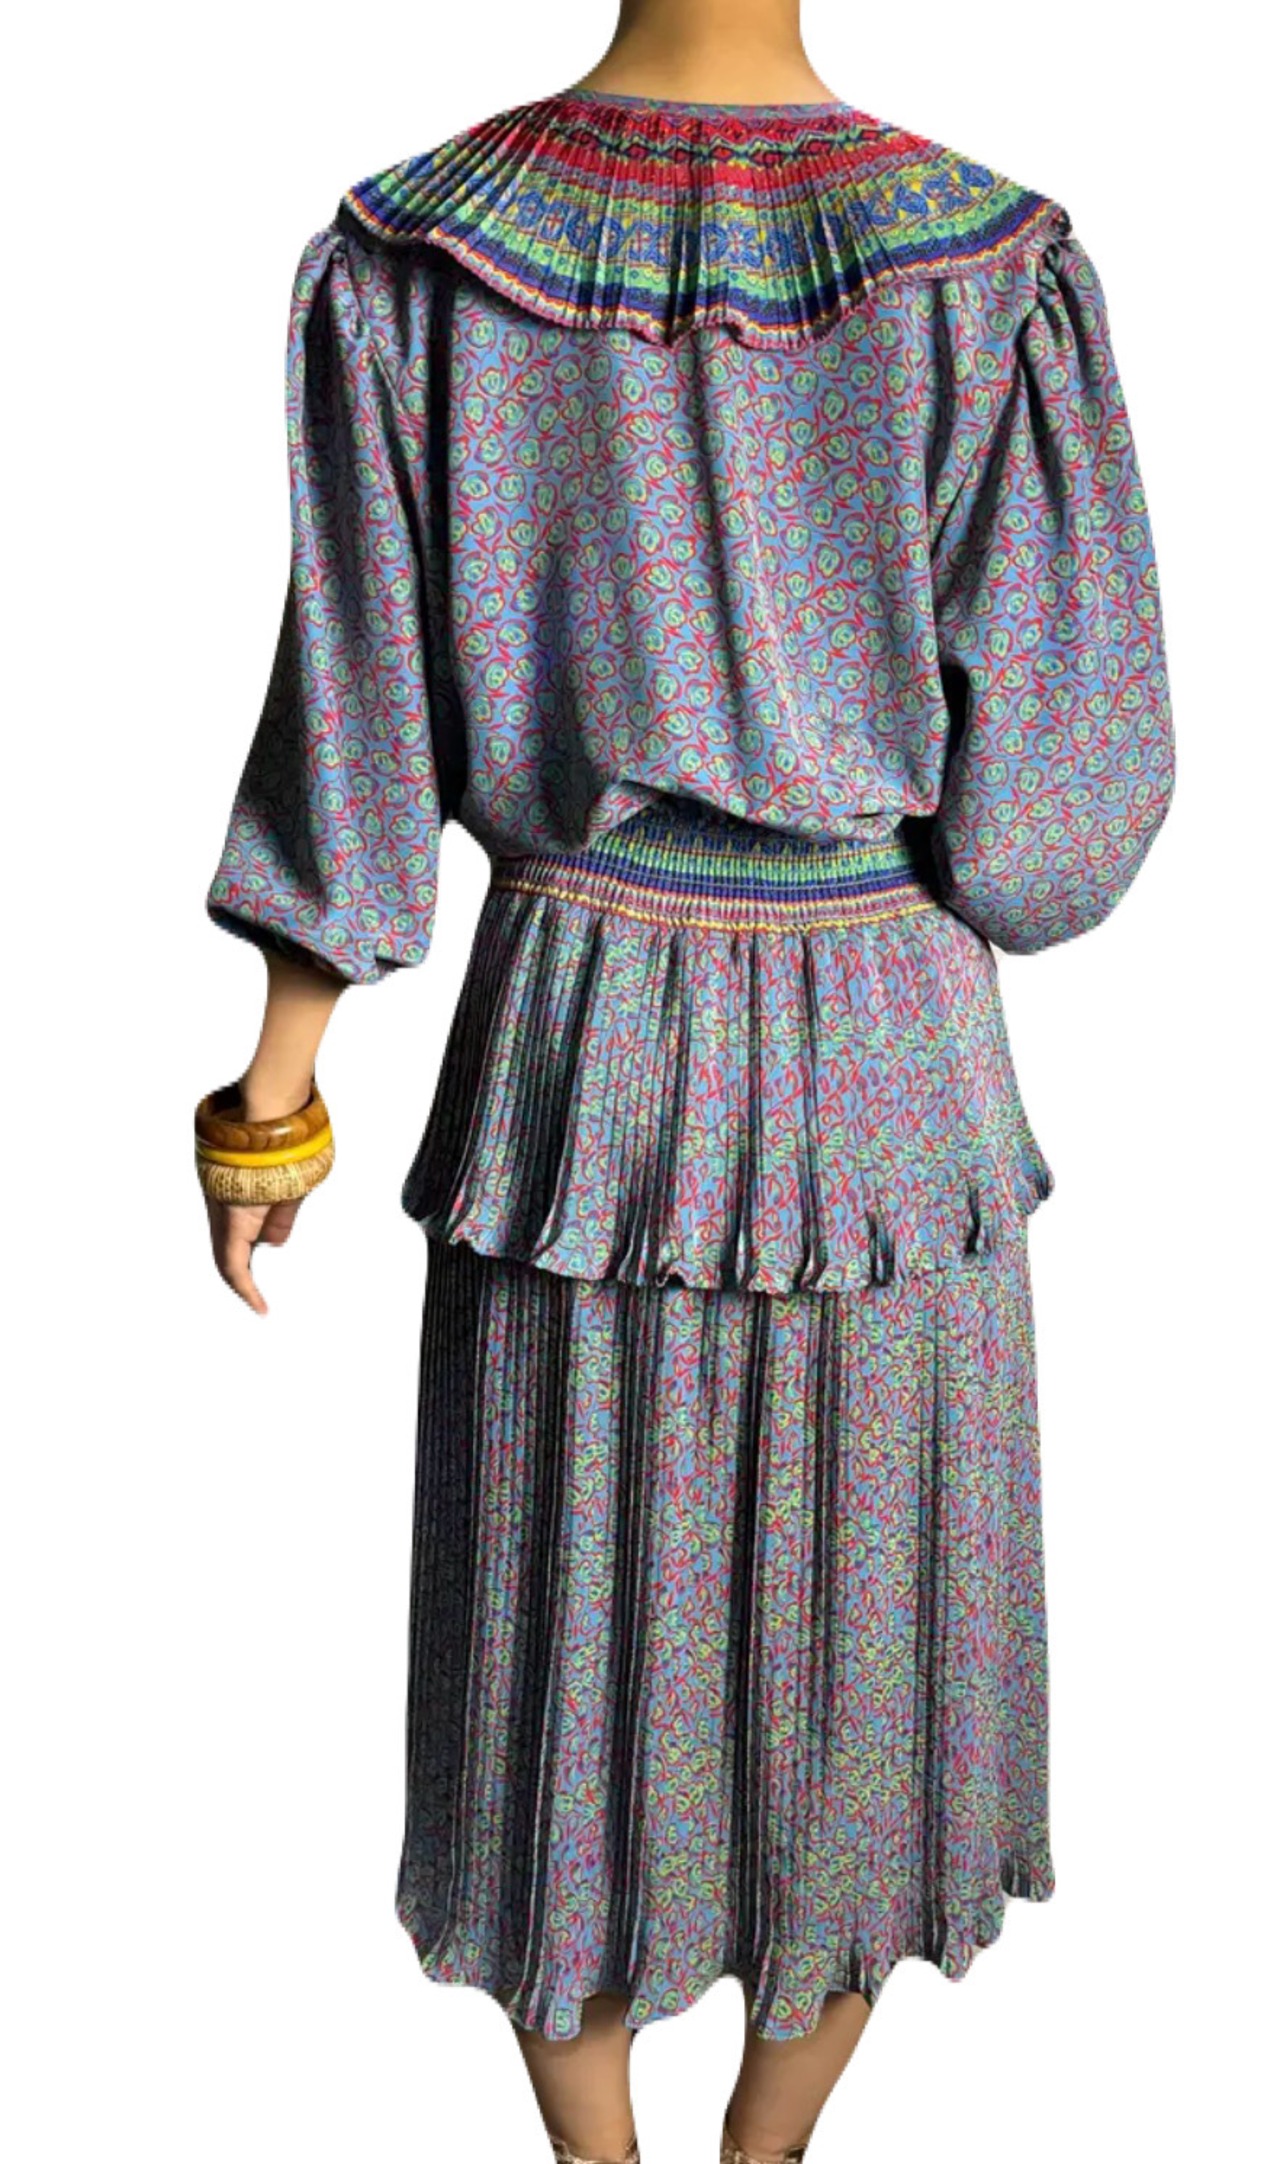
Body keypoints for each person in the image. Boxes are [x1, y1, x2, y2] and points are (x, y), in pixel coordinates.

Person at [195, 2, 1176, 2158]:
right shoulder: (985, 264)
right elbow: (1058, 831)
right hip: (885, 1066)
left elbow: (357, 715)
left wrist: (275, 1094)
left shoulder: (422, 255)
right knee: (857, 1654)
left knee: (561, 1640)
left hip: (580, 1056)